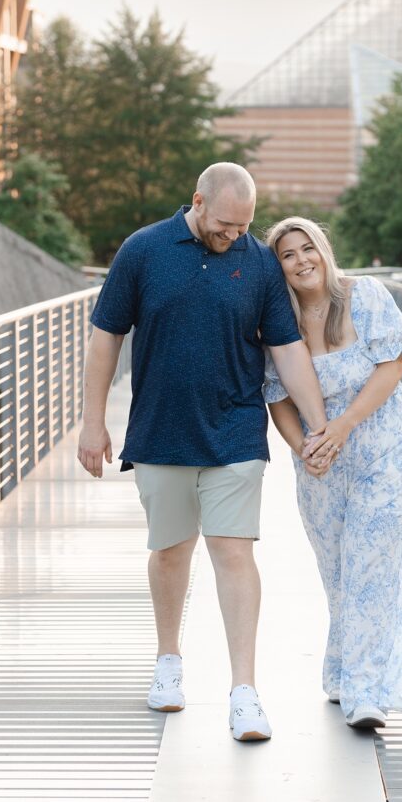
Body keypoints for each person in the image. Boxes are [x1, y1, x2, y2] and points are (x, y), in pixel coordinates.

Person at [77, 165, 330, 741]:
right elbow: (105, 338)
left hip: (236, 431)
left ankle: (245, 692)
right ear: (197, 201)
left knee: (234, 553)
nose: (234, 235)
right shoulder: (143, 250)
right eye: (224, 224)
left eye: (244, 226)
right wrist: (92, 423)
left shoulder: (259, 261)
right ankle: (169, 662)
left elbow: (287, 350)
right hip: (160, 431)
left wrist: (319, 429)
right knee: (170, 552)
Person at [263, 217, 402, 730]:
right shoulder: (278, 324)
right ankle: (343, 669)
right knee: (338, 573)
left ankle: (365, 691)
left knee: (370, 566)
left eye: (308, 248)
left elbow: (393, 364)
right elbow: (278, 398)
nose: (302, 260)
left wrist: (343, 427)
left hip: (383, 450)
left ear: (324, 250)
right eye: (288, 254)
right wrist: (302, 447)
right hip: (321, 465)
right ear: (279, 266)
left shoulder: (367, 295)